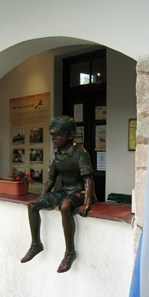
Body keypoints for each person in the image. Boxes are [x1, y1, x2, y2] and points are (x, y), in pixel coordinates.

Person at [21, 115, 96, 273]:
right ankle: (36, 244)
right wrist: (43, 197)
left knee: (66, 206)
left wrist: (87, 202)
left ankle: (70, 252)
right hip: (66, 191)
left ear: (70, 135)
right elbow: (50, 178)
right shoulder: (57, 154)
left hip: (80, 192)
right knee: (33, 205)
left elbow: (88, 180)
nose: (54, 138)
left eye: (57, 134)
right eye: (52, 135)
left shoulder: (80, 153)